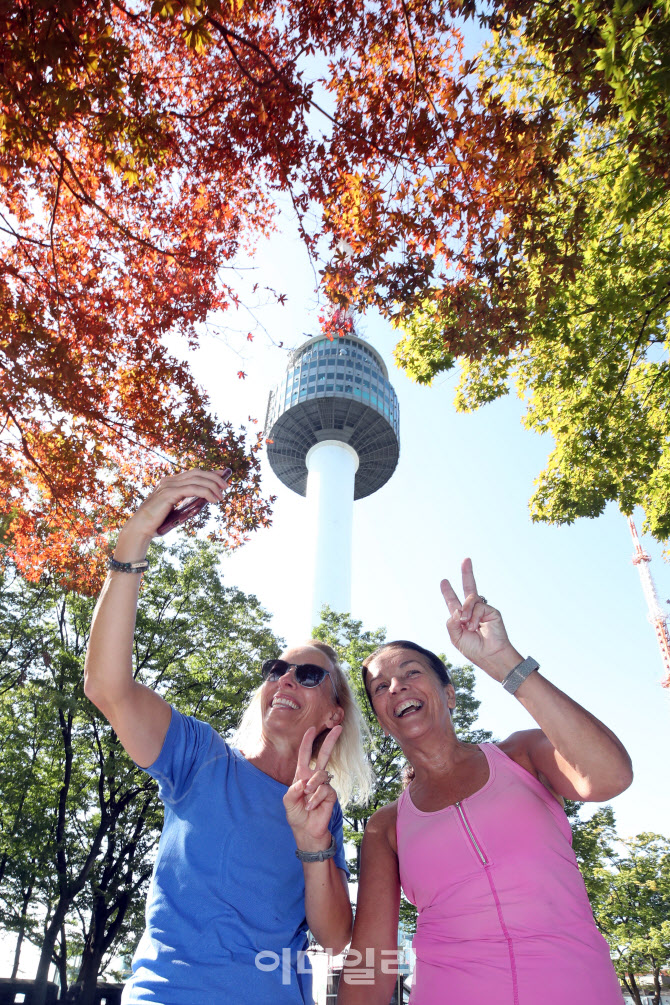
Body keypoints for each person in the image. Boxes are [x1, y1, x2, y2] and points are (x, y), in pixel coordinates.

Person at [84, 469, 373, 1005]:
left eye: (308, 676)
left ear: (335, 715)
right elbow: (107, 687)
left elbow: (335, 938)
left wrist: (314, 845)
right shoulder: (198, 756)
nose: (285, 679)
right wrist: (135, 539)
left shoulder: (322, 811)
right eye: (276, 669)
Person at [338, 558, 632, 1005]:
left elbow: (609, 778)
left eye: (412, 673)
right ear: (382, 720)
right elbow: (371, 958)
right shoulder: (385, 826)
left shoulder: (523, 754)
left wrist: (504, 663)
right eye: (380, 687)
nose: (396, 686)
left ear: (449, 693)